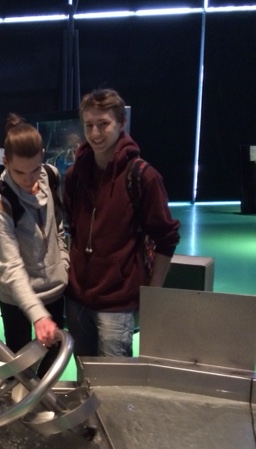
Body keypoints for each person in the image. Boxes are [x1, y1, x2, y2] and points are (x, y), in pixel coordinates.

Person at [63, 88, 180, 358]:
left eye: (103, 124)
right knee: (84, 375)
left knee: (114, 381)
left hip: (117, 304)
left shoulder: (143, 177)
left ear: (121, 123)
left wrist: (152, 295)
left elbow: (167, 238)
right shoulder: (75, 175)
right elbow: (71, 228)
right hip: (77, 299)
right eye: (89, 125)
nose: (95, 134)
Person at [0, 114, 69, 377]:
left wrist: (63, 266)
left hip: (55, 291)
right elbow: (9, 264)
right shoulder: (0, 198)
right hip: (17, 300)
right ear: (5, 162)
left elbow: (58, 227)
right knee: (21, 372)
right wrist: (38, 315)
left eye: (34, 169)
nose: (28, 179)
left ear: (42, 156)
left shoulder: (51, 176)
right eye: (19, 172)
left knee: (52, 367)